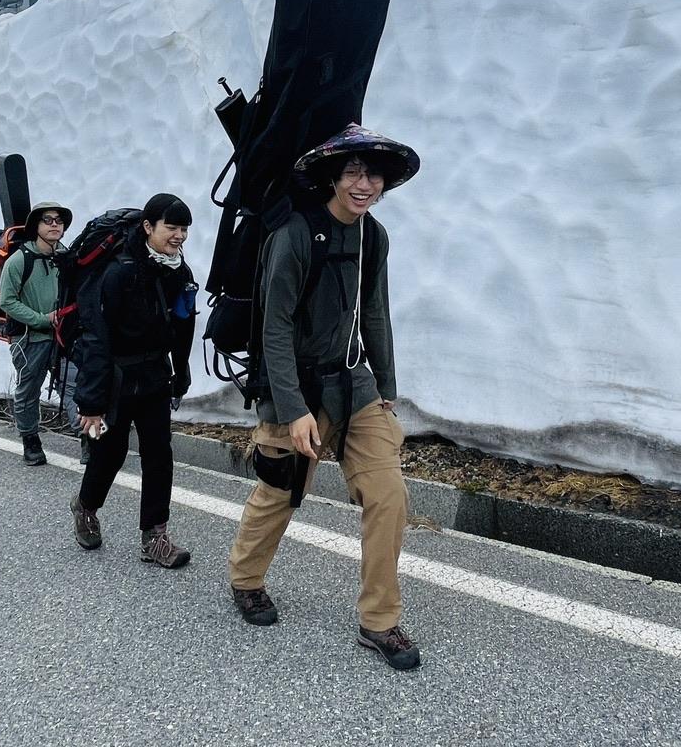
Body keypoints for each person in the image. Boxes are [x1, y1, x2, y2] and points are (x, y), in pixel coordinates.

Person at [226, 124, 422, 671]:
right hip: (296, 387)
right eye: (354, 171)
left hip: (355, 383)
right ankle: (245, 578)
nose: (365, 183)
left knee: (389, 496)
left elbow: (376, 312)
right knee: (281, 492)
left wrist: (385, 390)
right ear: (333, 177)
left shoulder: (373, 236)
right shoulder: (293, 234)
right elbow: (275, 328)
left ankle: (378, 621)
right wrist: (292, 411)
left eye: (374, 173)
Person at [69, 193, 197, 569]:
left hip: (155, 375)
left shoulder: (177, 270)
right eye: (171, 227)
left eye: (184, 229)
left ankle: (154, 536)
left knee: (159, 454)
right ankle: (86, 506)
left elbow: (182, 324)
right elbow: (97, 337)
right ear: (147, 227)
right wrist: (91, 402)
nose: (179, 236)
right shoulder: (120, 272)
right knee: (111, 452)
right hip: (119, 379)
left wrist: (182, 370)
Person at [0, 201, 74, 466]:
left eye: (59, 221)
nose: (55, 225)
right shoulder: (20, 260)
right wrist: (41, 320)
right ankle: (30, 441)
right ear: (36, 227)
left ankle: (89, 441)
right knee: (28, 390)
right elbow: (6, 301)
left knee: (77, 385)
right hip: (31, 339)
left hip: (65, 336)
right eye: (48, 220)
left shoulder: (66, 256)